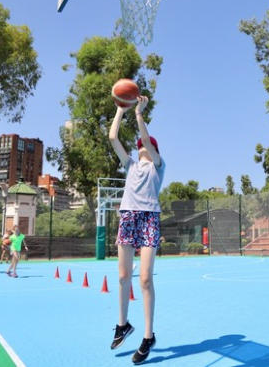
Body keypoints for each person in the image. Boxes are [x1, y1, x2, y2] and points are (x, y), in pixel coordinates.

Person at [108, 95, 165, 365]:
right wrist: (120, 111)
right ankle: (122, 325)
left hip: (149, 219)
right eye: (140, 143)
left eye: (145, 142)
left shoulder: (158, 165)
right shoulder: (130, 165)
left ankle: (148, 336)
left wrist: (140, 114)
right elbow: (112, 139)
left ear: (151, 147)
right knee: (122, 277)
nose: (141, 144)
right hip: (129, 216)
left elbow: (144, 135)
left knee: (144, 280)